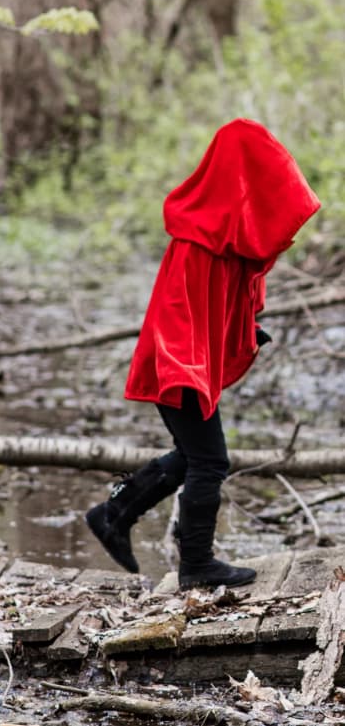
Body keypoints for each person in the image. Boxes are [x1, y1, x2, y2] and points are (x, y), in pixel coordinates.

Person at [85, 118, 321, 589]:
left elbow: (220, 305)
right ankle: (196, 564)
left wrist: (244, 332)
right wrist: (186, 369)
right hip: (176, 364)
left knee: (194, 455)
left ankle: (114, 514)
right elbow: (177, 313)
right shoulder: (197, 241)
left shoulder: (226, 240)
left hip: (185, 364)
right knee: (210, 461)